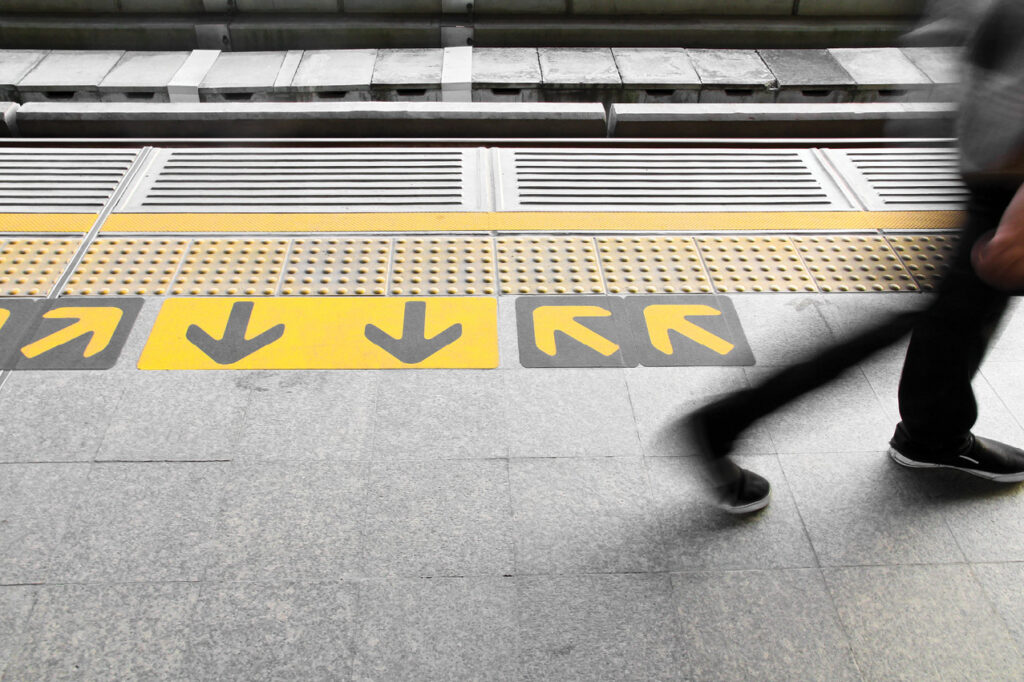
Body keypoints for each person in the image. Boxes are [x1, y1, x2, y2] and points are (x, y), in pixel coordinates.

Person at [687, 0, 1024, 514]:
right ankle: (723, 422)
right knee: (921, 319)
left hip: (982, 165)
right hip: (1000, 179)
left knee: (948, 319)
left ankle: (932, 434)